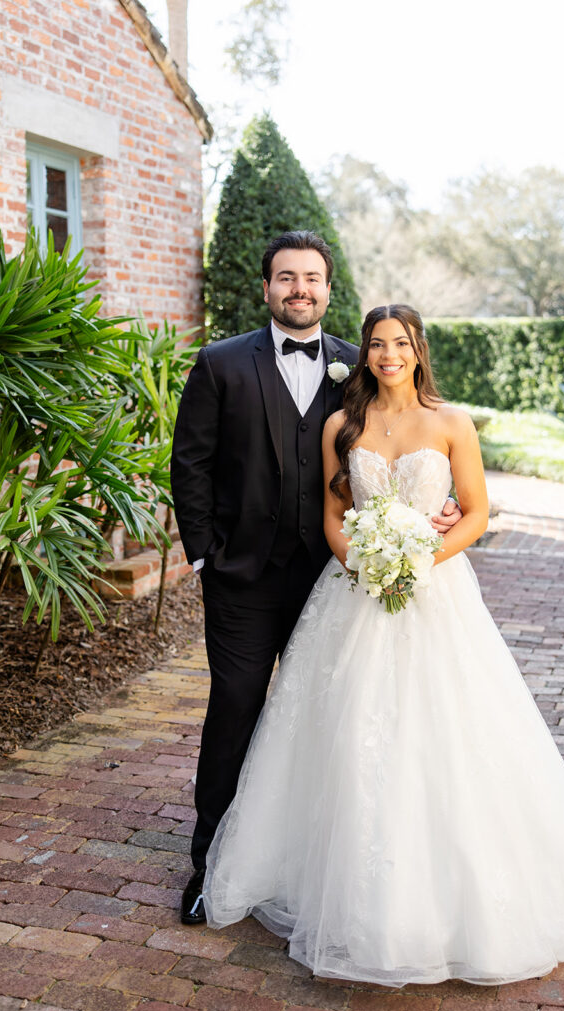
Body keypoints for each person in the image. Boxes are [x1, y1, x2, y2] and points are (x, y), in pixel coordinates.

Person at [201, 303, 564, 987]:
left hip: (434, 593)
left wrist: (420, 558)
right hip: (354, 593)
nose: (387, 354)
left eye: (399, 343)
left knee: (448, 730)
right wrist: (360, 563)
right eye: (376, 344)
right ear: (364, 353)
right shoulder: (343, 425)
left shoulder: (452, 423)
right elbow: (334, 514)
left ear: (418, 350)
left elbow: (478, 512)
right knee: (344, 729)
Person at [170, 235, 462, 924]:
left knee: (326, 718)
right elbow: (191, 464)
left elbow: (399, 443)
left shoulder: (354, 366)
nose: (299, 289)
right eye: (285, 278)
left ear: (330, 290)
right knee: (236, 705)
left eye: (311, 279)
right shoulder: (219, 364)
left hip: (335, 579)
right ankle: (211, 865)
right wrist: (204, 556)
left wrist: (434, 506)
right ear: (266, 286)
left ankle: (306, 858)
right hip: (240, 576)